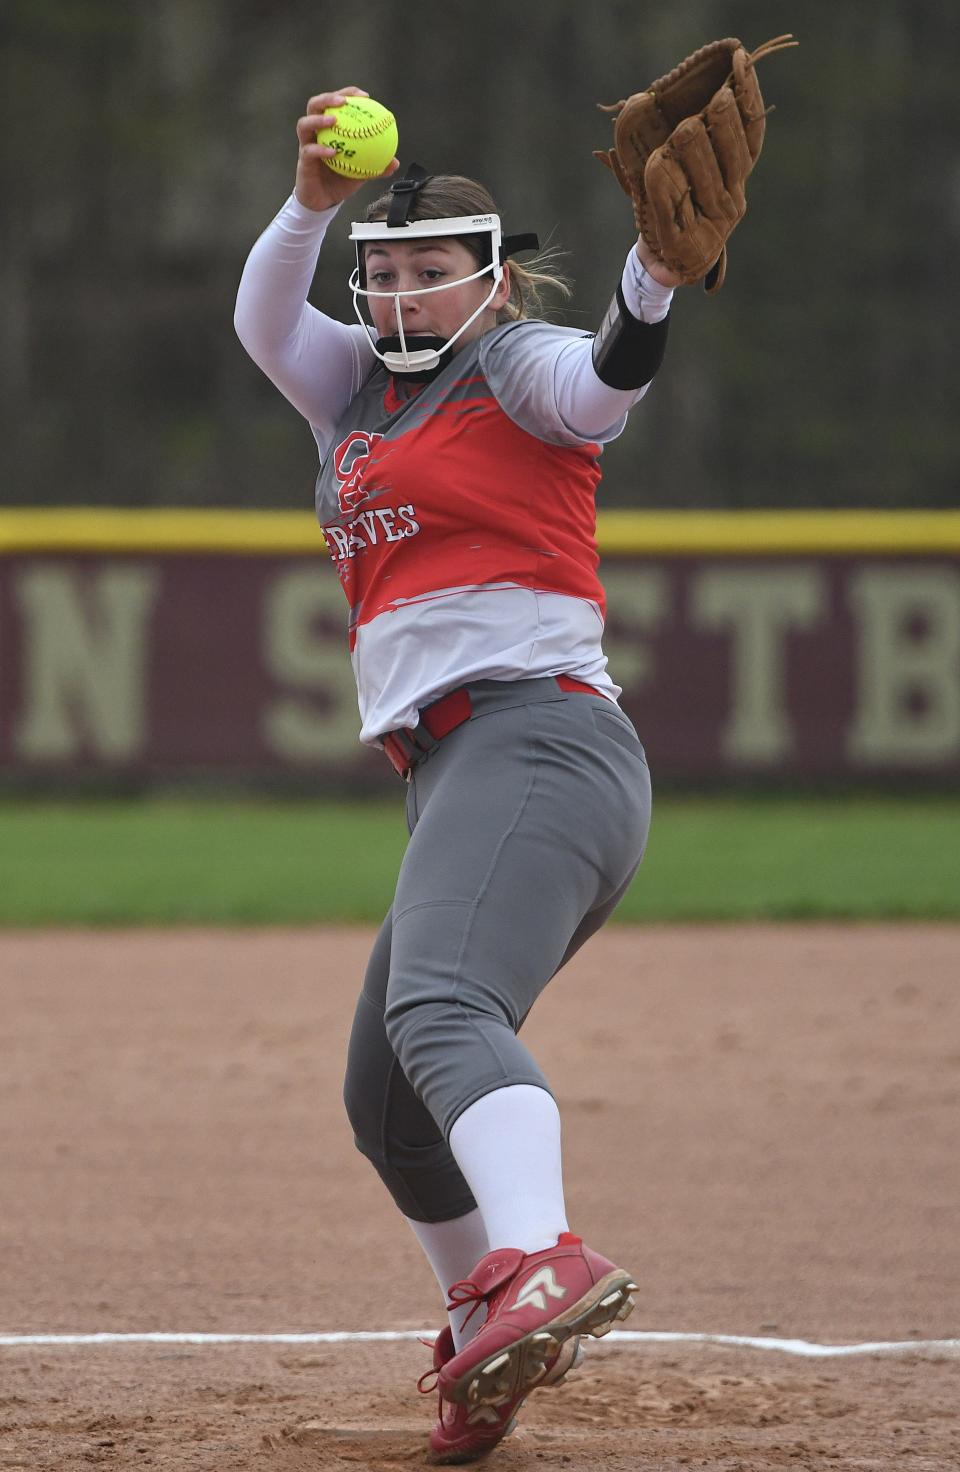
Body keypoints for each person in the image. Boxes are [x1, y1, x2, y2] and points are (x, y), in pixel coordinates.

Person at [235, 84, 682, 1465]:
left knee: (441, 1004)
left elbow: (606, 378)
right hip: (456, 773)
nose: (403, 288)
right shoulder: (350, 397)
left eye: (433, 270)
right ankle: (483, 1338)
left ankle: (538, 1258)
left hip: (538, 742)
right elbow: (262, 321)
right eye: (382, 269)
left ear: (489, 282)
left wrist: (654, 279)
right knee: (387, 1099)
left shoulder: (520, 365)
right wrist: (311, 206)